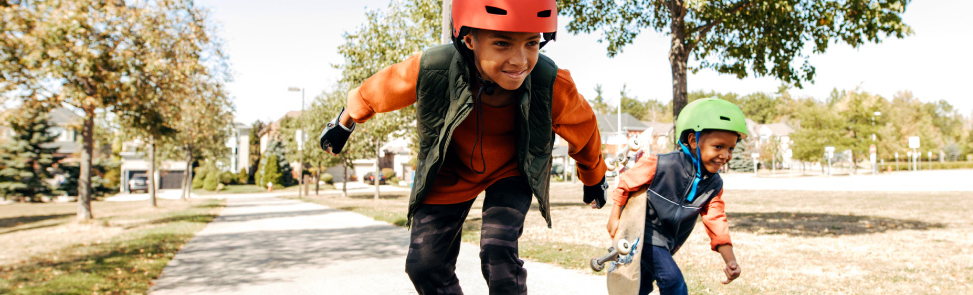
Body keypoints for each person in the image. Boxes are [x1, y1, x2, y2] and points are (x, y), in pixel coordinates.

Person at [317, 0, 608, 294]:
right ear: (469, 39)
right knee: (424, 265)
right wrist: (344, 121)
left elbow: (584, 130)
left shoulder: (550, 83)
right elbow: (381, 87)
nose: (520, 60)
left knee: (498, 253)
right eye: (502, 44)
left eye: (532, 43)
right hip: (450, 168)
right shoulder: (434, 67)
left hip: (512, 171)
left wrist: (594, 178)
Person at [606, 98, 746, 295]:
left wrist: (730, 260)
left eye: (730, 148)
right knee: (673, 283)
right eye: (718, 146)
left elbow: (716, 221)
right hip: (644, 234)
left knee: (640, 287)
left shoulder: (714, 184)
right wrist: (615, 217)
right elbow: (626, 183)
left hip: (669, 243)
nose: (725, 155)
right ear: (693, 140)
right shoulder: (662, 164)